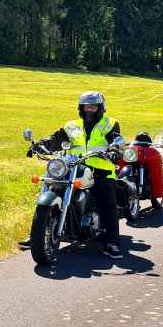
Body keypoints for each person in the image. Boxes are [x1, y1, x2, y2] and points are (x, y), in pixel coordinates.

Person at [27, 91, 124, 259]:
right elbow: (56, 139)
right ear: (81, 108)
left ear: (100, 108)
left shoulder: (110, 124)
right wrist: (40, 145)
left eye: (93, 106)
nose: (90, 110)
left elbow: (116, 140)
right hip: (74, 168)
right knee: (54, 186)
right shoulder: (72, 125)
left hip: (101, 169)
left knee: (107, 201)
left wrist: (115, 150)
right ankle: (38, 233)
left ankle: (111, 242)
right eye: (87, 106)